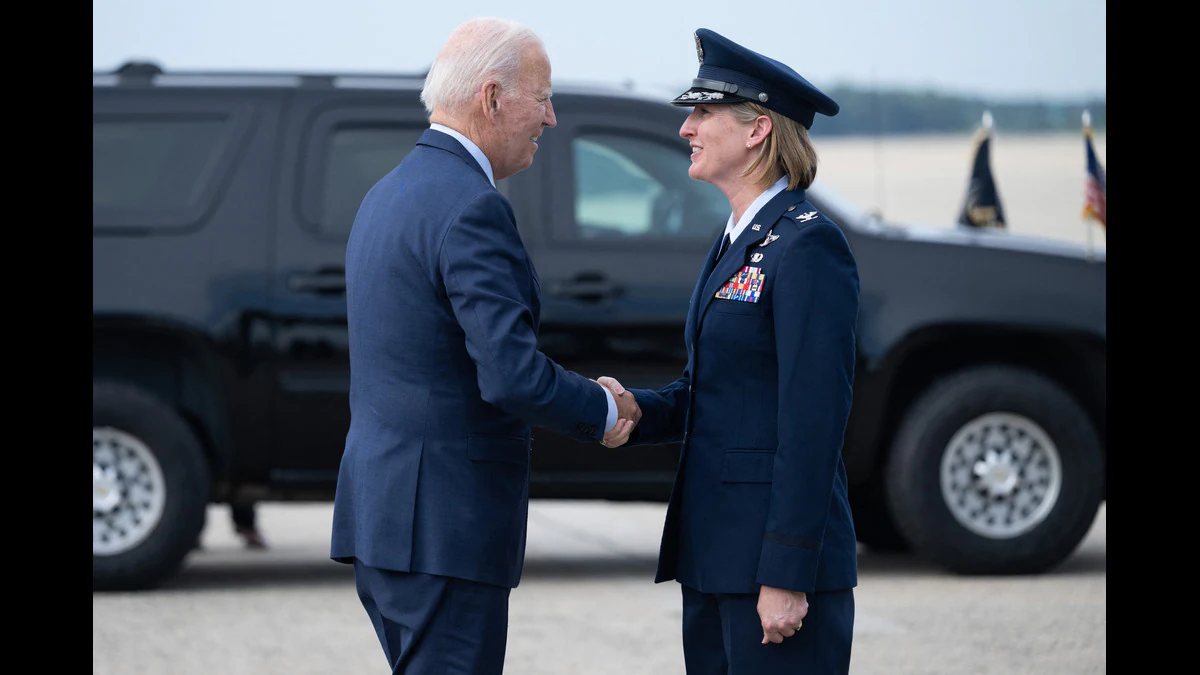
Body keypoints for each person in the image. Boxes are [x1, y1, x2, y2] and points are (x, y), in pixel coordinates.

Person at [329, 17, 639, 675]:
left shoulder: (386, 194)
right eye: (543, 97)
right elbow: (511, 375)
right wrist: (605, 410)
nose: (551, 118)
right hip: (445, 529)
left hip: (386, 520)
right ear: (493, 97)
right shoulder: (472, 206)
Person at [599, 28, 861, 675]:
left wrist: (787, 571)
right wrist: (638, 411)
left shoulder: (807, 248)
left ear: (757, 131)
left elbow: (813, 420)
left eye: (703, 112)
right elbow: (718, 390)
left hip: (771, 571)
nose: (688, 128)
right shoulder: (737, 238)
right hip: (717, 556)